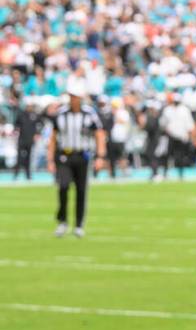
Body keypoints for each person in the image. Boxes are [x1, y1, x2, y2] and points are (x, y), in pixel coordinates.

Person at [48, 79, 106, 238]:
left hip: (83, 156)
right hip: (64, 156)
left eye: (77, 96)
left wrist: (100, 156)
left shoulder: (89, 113)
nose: (75, 99)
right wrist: (50, 160)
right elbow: (53, 138)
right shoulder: (61, 114)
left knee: (81, 191)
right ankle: (62, 221)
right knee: (63, 187)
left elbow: (99, 134)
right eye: (72, 96)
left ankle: (79, 224)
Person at [161, 93, 196, 180]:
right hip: (170, 136)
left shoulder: (184, 110)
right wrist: (167, 130)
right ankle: (165, 173)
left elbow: (189, 124)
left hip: (182, 136)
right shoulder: (168, 110)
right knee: (168, 155)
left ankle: (180, 174)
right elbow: (163, 123)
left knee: (181, 156)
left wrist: (191, 136)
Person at [11, 89, 40, 180]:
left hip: (30, 139)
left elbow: (38, 126)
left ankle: (28, 175)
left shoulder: (35, 115)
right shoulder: (21, 114)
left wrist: (37, 134)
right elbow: (16, 124)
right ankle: (16, 174)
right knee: (19, 158)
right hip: (22, 139)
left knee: (28, 158)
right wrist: (15, 130)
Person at [107, 97, 132, 178]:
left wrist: (115, 115)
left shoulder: (123, 112)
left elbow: (124, 121)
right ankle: (112, 174)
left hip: (121, 138)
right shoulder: (111, 114)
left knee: (122, 157)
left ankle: (124, 173)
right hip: (112, 138)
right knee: (111, 158)